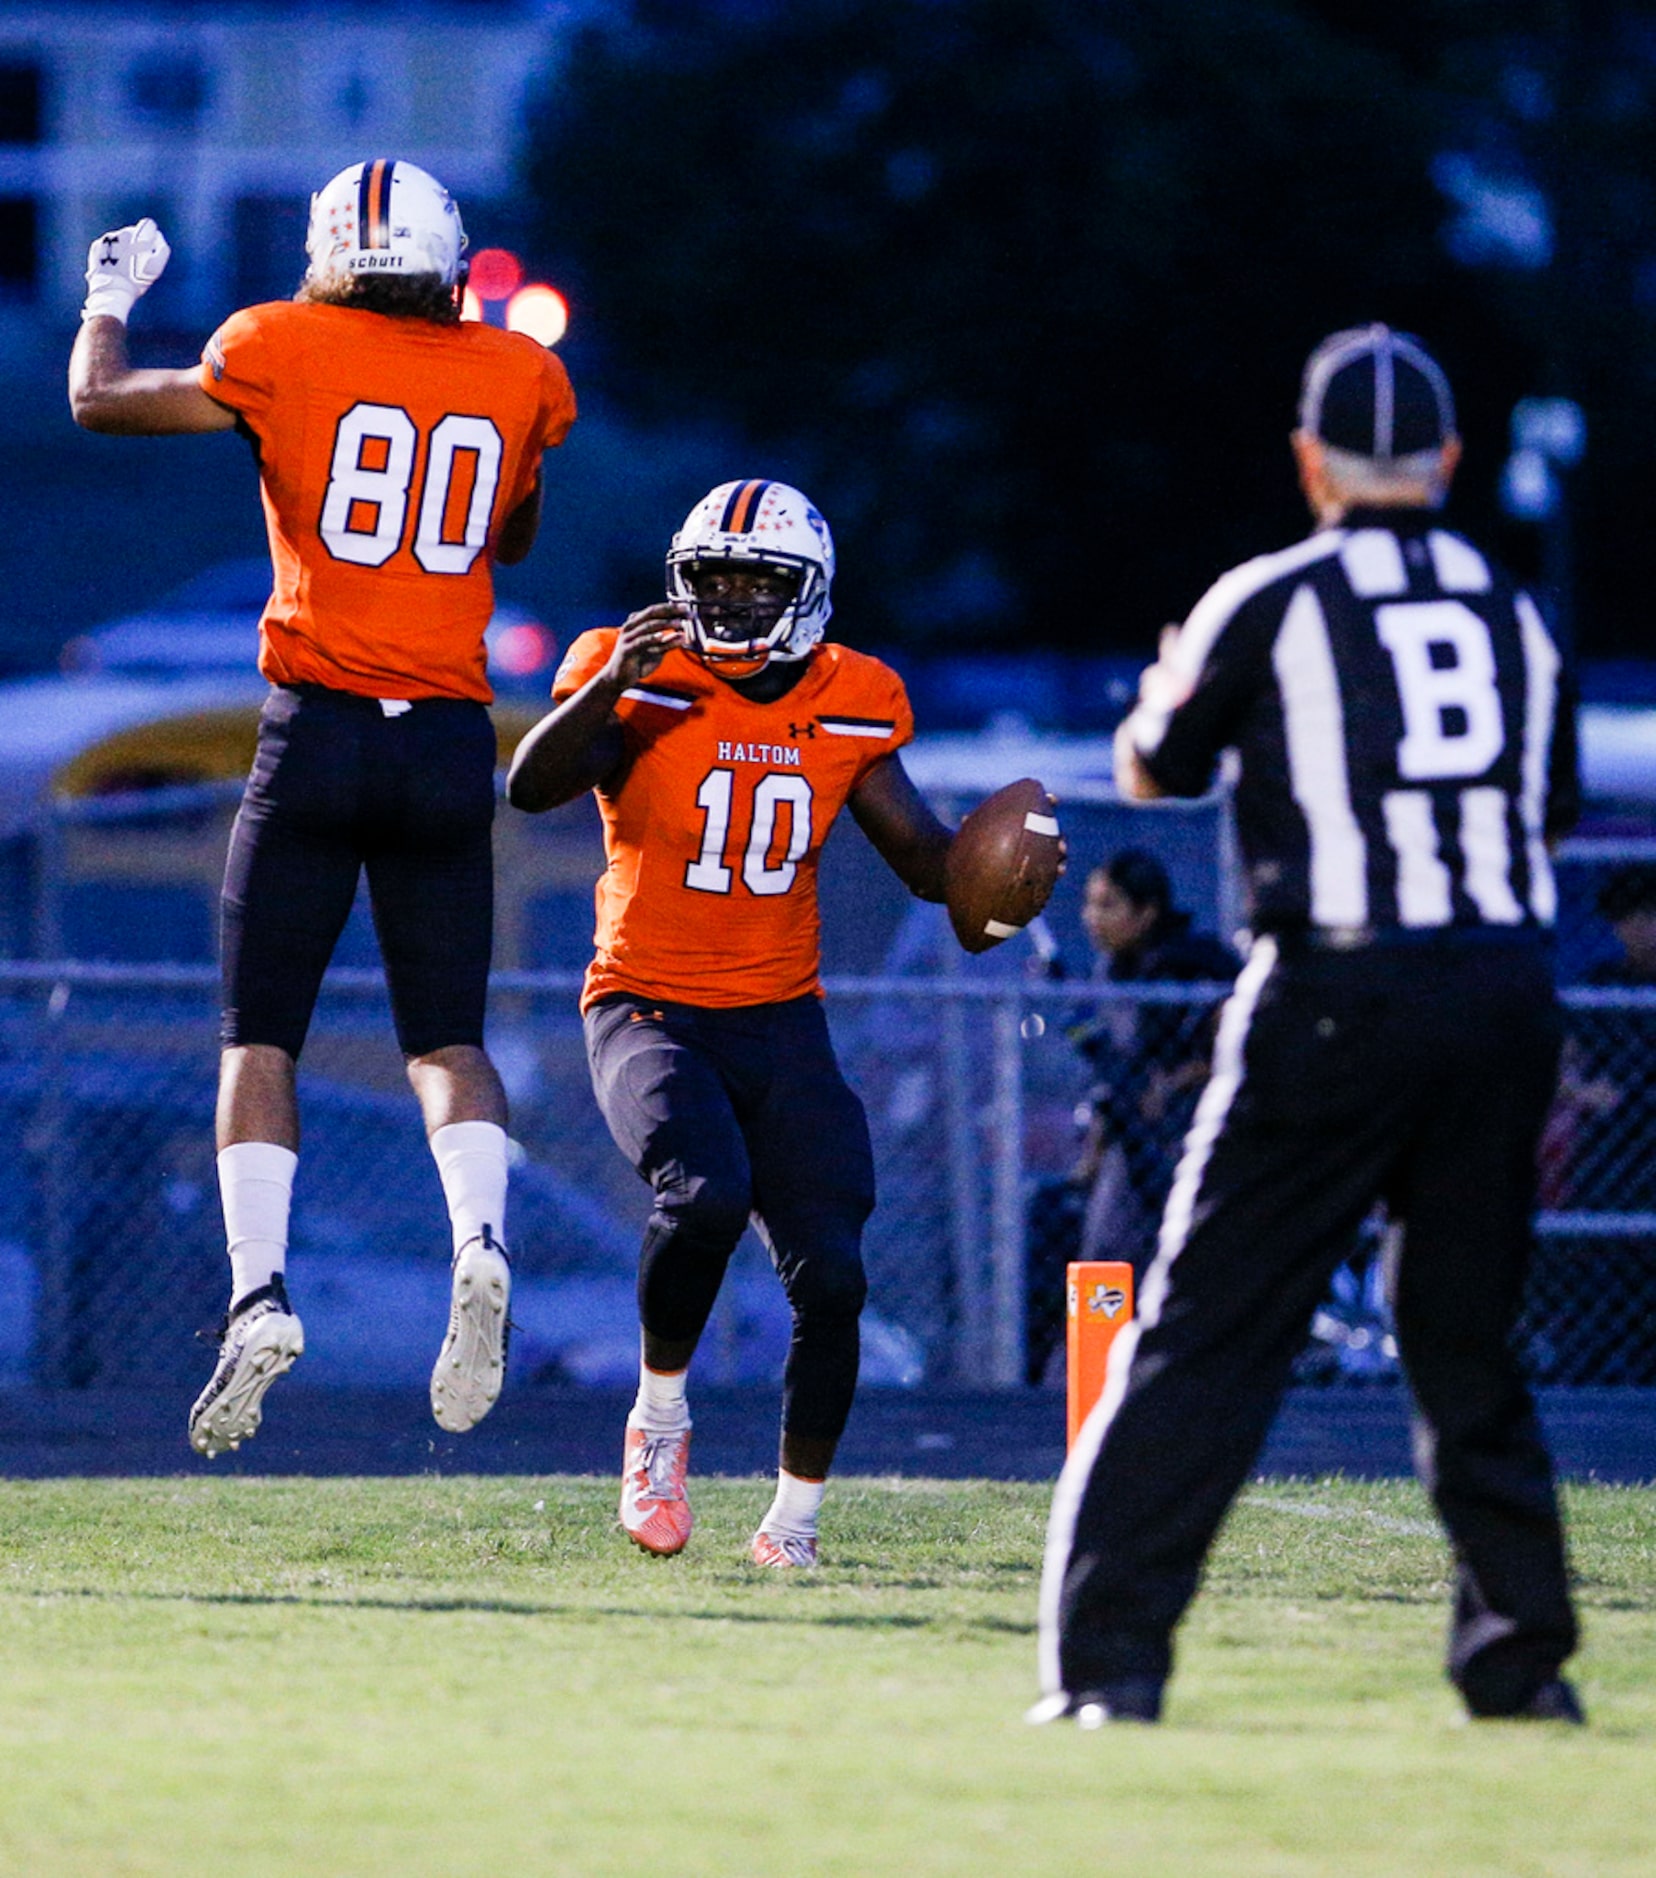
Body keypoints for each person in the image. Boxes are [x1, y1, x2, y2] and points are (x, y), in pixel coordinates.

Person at [1032, 325, 1583, 1727]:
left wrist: (1169, 686)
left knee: (1209, 1326)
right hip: (1504, 990)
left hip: (1338, 987)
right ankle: (1521, 1667)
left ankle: (1110, 1665)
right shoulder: (1513, 609)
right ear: (1449, 461)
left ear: (1308, 459)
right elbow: (1551, 808)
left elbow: (1154, 768)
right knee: (1463, 1336)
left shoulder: (1272, 597)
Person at [68, 162, 577, 1456]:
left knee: (261, 1039)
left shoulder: (276, 340)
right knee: (446, 1037)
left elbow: (100, 401)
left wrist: (109, 298)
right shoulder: (520, 371)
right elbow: (508, 539)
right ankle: (481, 1237)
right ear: (449, 251)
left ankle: (259, 1292)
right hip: (450, 742)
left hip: (317, 730)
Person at [507, 480, 977, 1566]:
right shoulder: (635, 673)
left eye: (753, 584)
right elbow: (530, 788)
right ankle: (658, 1424)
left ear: (806, 595)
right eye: (711, 582)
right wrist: (602, 697)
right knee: (705, 1193)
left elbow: (922, 860)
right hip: (648, 1004)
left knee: (836, 1275)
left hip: (779, 1019)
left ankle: (793, 1527)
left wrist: (995, 885)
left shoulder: (856, 696)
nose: (728, 604)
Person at [1023, 851, 1237, 1383]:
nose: (1093, 918)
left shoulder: (1193, 964)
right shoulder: (1113, 972)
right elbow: (1111, 1083)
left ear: (1146, 912)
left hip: (1191, 1145)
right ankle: (1087, 1384)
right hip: (1133, 1153)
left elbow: (1234, 1035)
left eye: (1108, 905)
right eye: (1090, 905)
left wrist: (1176, 1082)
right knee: (1104, 1265)